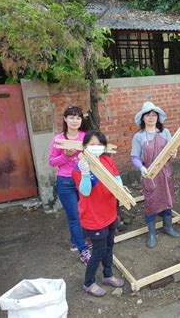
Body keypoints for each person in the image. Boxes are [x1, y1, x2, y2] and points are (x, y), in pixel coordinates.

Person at [73, 131, 125, 297]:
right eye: (92, 144)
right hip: (93, 216)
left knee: (110, 245)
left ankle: (107, 275)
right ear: (84, 146)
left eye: (99, 145)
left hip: (109, 211)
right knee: (99, 250)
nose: (96, 148)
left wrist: (121, 189)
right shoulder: (80, 167)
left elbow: (117, 178)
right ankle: (88, 283)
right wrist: (86, 173)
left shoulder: (107, 160)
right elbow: (85, 191)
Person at [131, 101, 180, 248]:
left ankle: (168, 227)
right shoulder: (139, 137)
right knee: (151, 202)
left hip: (165, 173)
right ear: (143, 118)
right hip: (150, 175)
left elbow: (172, 151)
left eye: (154, 115)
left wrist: (174, 153)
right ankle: (152, 233)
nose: (151, 117)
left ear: (158, 117)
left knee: (167, 199)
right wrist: (141, 168)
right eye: (148, 115)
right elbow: (134, 157)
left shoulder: (165, 133)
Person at [48, 106, 91, 264]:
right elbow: (52, 161)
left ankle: (76, 240)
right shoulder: (58, 139)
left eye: (78, 118)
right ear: (65, 119)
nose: (75, 121)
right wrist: (66, 156)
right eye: (71, 117)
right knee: (75, 217)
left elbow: (93, 157)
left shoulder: (85, 137)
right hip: (66, 182)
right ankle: (83, 250)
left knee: (84, 213)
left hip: (84, 179)